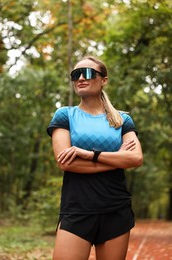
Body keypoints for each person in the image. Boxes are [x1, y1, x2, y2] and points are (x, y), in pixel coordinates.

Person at [47, 55, 143, 260]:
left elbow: (135, 158)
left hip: (116, 209)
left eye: (88, 73)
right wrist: (117, 158)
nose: (81, 78)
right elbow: (65, 163)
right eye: (76, 74)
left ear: (104, 80)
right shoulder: (65, 115)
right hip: (77, 209)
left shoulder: (122, 120)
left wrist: (91, 155)